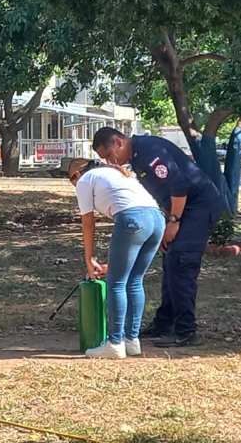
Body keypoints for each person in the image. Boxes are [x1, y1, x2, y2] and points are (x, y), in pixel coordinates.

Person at [91, 127, 225, 347]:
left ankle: (186, 331)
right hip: (181, 209)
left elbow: (179, 184)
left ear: (118, 142)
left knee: (182, 263)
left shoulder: (150, 151)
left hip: (198, 206)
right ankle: (164, 323)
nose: (109, 162)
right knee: (171, 260)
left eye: (108, 155)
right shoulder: (136, 158)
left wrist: (174, 221)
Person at [69, 158, 165, 359]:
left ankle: (114, 343)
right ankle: (132, 341)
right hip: (157, 220)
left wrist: (89, 258)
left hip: (133, 219)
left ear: (76, 174)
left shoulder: (85, 180)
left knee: (116, 283)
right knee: (134, 280)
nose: (73, 185)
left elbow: (88, 223)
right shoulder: (119, 174)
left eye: (71, 180)